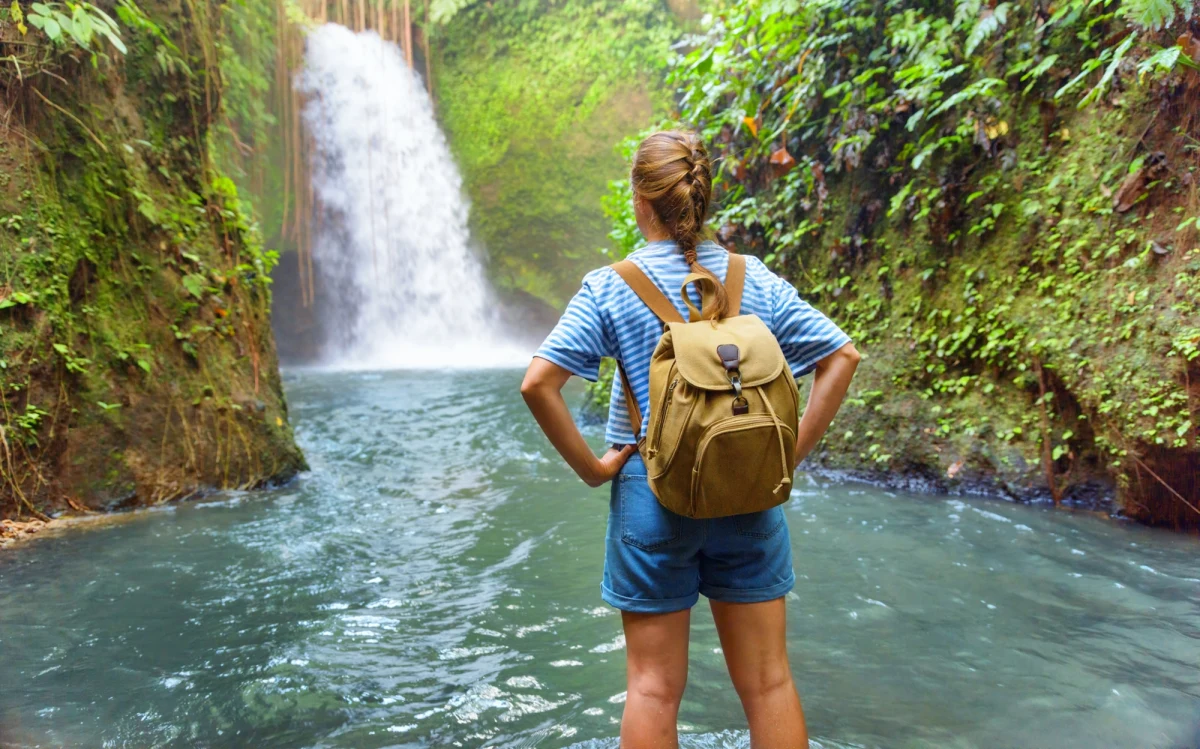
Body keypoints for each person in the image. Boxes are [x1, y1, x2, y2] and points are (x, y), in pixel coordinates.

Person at [520, 130, 860, 749]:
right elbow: (842, 356)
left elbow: (539, 384)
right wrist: (787, 455)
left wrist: (594, 470)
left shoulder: (610, 285)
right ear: (701, 202)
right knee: (769, 684)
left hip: (652, 494)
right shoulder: (748, 276)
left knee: (652, 687)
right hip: (751, 491)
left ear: (640, 200)